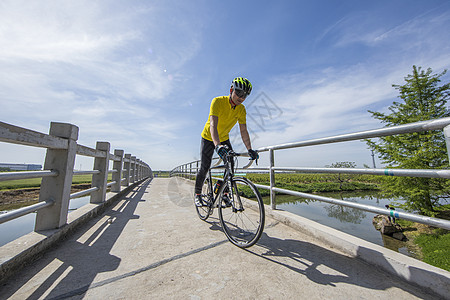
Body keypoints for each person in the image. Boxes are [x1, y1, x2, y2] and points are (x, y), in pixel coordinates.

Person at [194, 77, 259, 206]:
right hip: (209, 137)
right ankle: (197, 194)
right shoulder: (217, 101)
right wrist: (217, 145)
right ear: (231, 90)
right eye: (239, 93)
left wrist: (250, 149)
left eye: (245, 95)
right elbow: (213, 124)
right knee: (205, 166)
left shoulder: (241, 109)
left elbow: (243, 131)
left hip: (224, 137)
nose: (241, 97)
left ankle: (223, 191)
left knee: (230, 164)